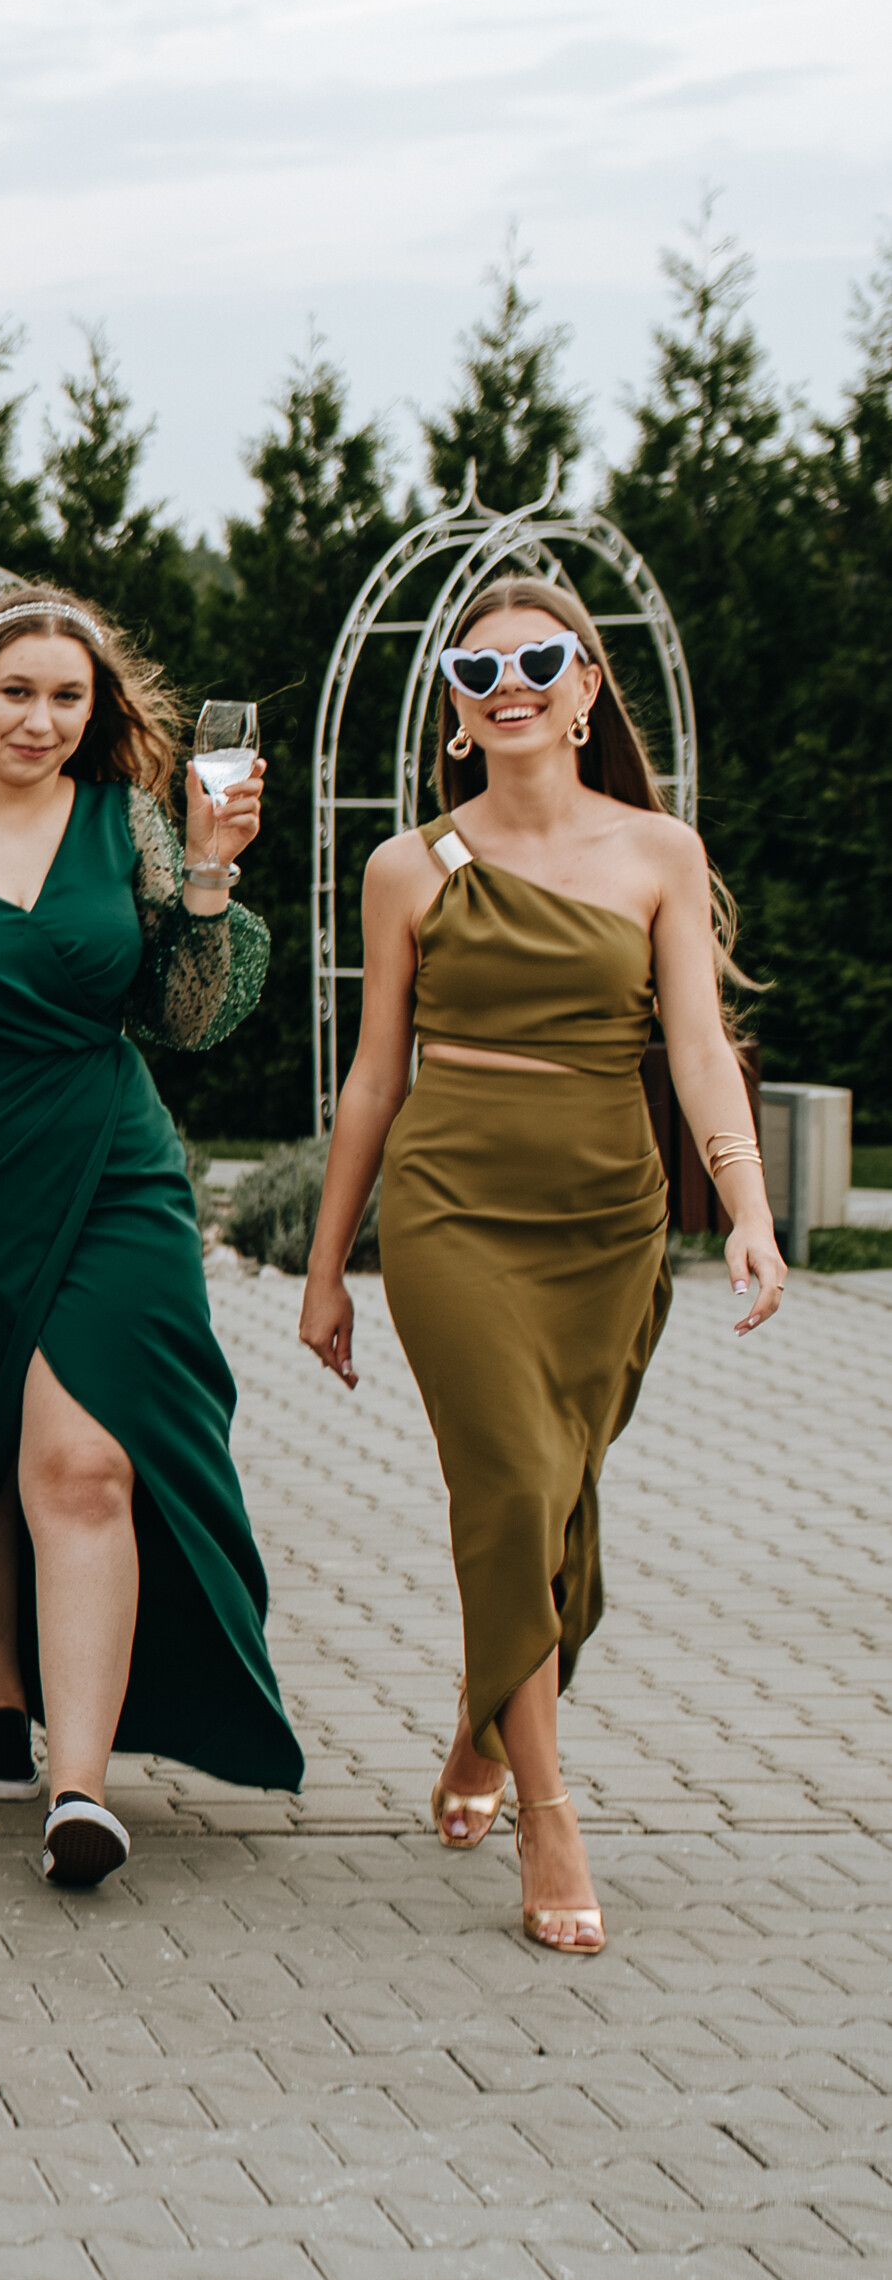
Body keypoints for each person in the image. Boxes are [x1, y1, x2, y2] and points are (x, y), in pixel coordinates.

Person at [298, 576, 784, 1957]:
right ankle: (549, 1809)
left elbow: (698, 1049)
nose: (507, 682)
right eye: (476, 668)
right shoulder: (409, 866)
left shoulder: (659, 851)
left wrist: (746, 1207)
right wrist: (328, 1265)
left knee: (561, 1504)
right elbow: (372, 1077)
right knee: (511, 1483)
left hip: (610, 1220)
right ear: (455, 709)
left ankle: (483, 1723)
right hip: (451, 1206)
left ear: (585, 688)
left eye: (538, 659)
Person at [0, 587, 295, 1892]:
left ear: (96, 709)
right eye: (17, 689)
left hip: (110, 1165)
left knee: (84, 1460)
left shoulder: (127, 820)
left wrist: (207, 869)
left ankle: (79, 1789)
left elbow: (189, 1016)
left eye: (67, 696)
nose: (40, 716)